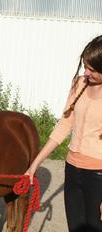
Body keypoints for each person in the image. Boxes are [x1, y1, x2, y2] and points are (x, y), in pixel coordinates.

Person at [25, 35, 102, 232]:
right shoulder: (79, 84)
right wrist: (34, 165)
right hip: (73, 170)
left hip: (99, 175)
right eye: (85, 66)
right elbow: (63, 127)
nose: (86, 72)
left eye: (92, 69)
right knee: (76, 228)